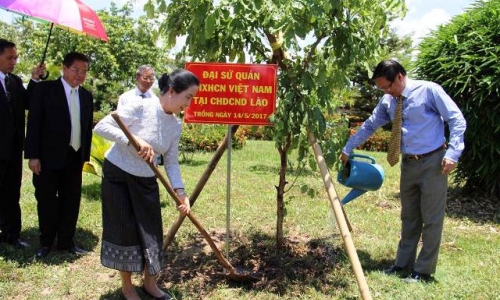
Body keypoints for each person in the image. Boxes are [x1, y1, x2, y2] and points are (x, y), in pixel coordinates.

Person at [339, 59, 466, 283]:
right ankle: (402, 264)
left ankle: (423, 271)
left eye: (388, 87)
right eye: (382, 89)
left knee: (431, 218)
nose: (386, 92)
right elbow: (370, 125)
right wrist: (349, 147)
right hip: (409, 164)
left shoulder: (429, 91)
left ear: (399, 76)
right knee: (409, 217)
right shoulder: (388, 100)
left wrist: (453, 153)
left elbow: (456, 119)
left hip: (434, 162)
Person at [94, 69, 199, 300]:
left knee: (151, 232)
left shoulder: (175, 126)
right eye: (188, 97)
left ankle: (151, 284)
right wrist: (135, 141)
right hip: (118, 175)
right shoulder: (141, 106)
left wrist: (181, 193)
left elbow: (170, 162)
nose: (189, 104)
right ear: (172, 91)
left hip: (146, 180)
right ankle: (128, 288)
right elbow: (101, 126)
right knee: (125, 230)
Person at [24, 52, 94, 258]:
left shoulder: (86, 96)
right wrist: (33, 156)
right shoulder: (45, 90)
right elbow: (34, 122)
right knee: (46, 200)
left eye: (84, 72)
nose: (80, 75)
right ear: (64, 68)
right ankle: (46, 242)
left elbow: (86, 129)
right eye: (76, 70)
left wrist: (84, 157)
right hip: (47, 158)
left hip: (74, 157)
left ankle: (66, 241)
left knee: (71, 200)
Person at [0, 39, 45, 249]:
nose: (14, 61)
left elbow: (29, 102)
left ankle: (12, 234)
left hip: (14, 149)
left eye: (15, 57)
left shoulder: (15, 82)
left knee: (11, 191)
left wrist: (35, 80)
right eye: (9, 57)